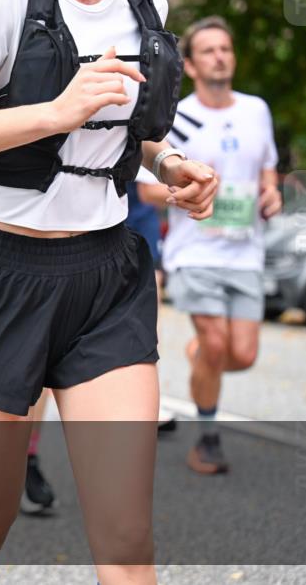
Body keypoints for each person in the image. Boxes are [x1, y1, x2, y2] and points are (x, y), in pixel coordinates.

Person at [0, 0, 218, 583]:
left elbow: (132, 132)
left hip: (107, 283)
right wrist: (55, 111)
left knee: (127, 537)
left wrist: (171, 163)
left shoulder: (146, 3)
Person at [162, 16, 282, 474]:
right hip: (195, 251)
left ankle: (202, 360)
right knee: (215, 343)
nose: (219, 57)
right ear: (191, 66)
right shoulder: (178, 117)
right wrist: (186, 191)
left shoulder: (256, 110)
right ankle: (207, 441)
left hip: (246, 251)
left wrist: (271, 193)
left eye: (225, 49)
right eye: (209, 51)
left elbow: (267, 168)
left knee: (242, 355)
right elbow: (150, 187)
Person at [125, 166, 178, 432]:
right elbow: (148, 191)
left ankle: (144, 405)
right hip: (108, 222)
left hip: (142, 226)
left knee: (147, 320)